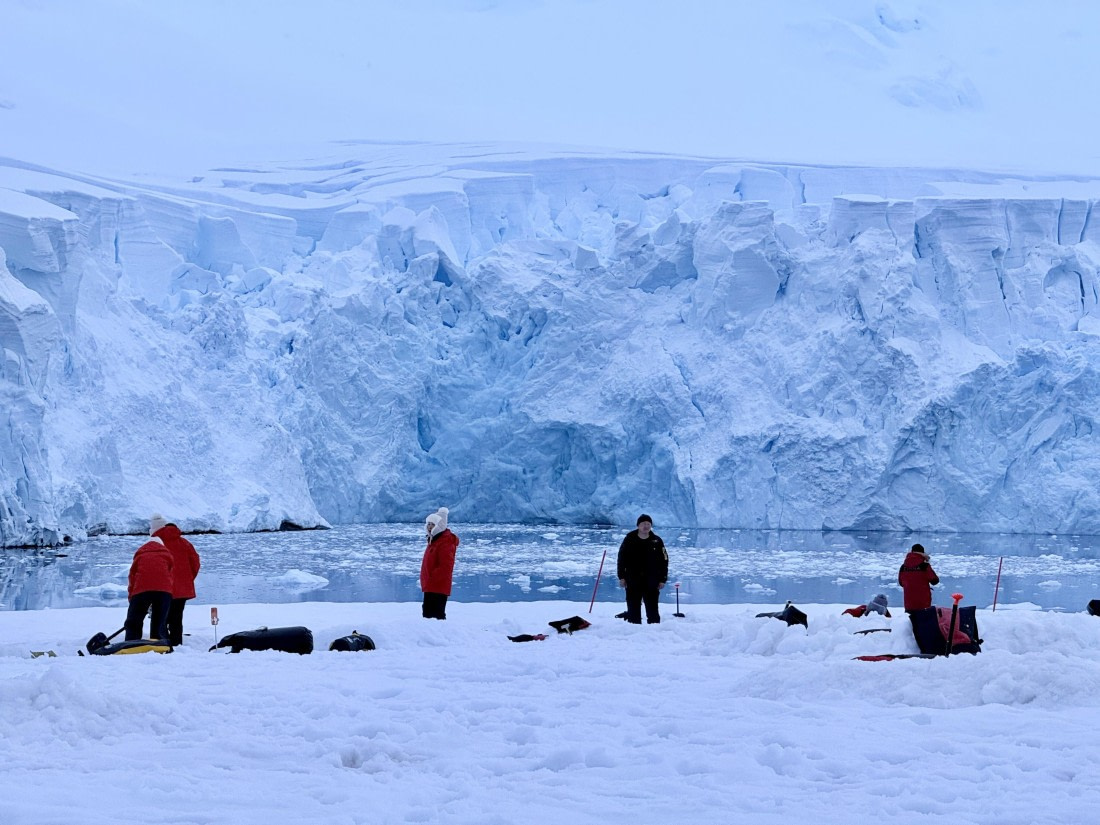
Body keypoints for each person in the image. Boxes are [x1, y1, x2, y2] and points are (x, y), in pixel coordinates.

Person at [151, 514, 201, 646]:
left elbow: (152, 566)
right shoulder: (185, 543)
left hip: (163, 587)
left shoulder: (157, 543)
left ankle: (162, 643)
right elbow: (195, 563)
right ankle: (176, 643)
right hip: (183, 588)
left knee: (161, 617)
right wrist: (188, 579)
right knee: (177, 618)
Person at [617, 514, 668, 624]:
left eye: (648, 524)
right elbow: (621, 559)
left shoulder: (657, 541)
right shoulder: (629, 539)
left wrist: (662, 579)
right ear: (638, 525)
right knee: (633, 607)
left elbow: (664, 561)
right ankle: (634, 632)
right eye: (643, 524)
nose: (646, 526)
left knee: (652, 609)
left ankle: (654, 631)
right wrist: (621, 577)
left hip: (652, 580)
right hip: (633, 579)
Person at [125, 530, 174, 641]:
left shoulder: (140, 553)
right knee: (159, 621)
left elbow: (132, 576)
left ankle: (131, 642)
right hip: (164, 591)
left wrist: (132, 598)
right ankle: (159, 643)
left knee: (134, 620)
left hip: (141, 590)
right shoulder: (167, 554)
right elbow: (170, 575)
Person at [420, 507, 458, 620]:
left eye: (433, 524)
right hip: (431, 584)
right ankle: (432, 635)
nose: (430, 527)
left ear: (439, 525)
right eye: (429, 524)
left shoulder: (445, 541)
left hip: (437, 584)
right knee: (428, 613)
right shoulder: (434, 540)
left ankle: (441, 635)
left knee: (436, 614)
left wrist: (433, 577)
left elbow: (446, 565)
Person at [898, 543, 939, 613]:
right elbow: (935, 581)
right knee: (923, 623)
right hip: (923, 605)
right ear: (923, 554)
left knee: (910, 623)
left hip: (909, 604)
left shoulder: (903, 567)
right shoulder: (924, 566)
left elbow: (901, 583)